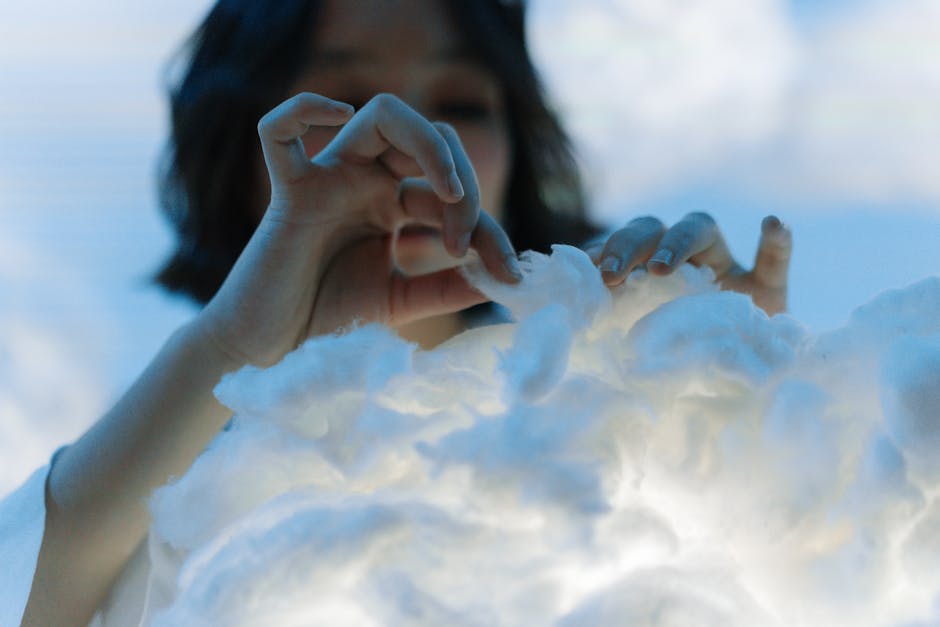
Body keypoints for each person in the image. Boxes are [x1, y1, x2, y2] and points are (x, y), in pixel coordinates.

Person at [3, 0, 792, 624]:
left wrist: (744, 420)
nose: (415, 139)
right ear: (235, 154)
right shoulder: (156, 490)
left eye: (461, 102)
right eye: (343, 104)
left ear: (518, 155)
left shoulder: (612, 424)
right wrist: (229, 349)